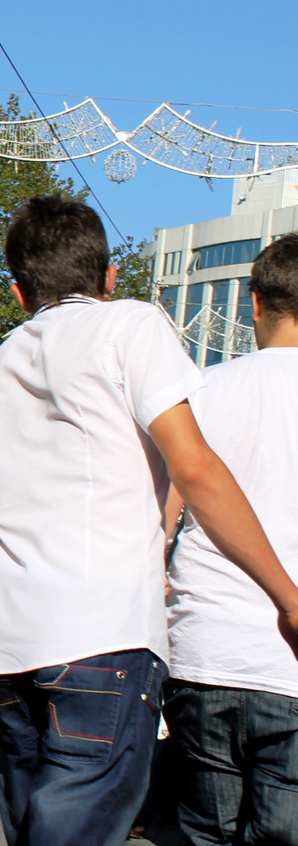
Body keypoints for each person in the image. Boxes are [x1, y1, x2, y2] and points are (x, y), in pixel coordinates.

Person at [0, 196, 298, 846]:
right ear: (110, 277)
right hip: (101, 636)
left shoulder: (1, 360)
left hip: (6, 645)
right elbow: (195, 469)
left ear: (16, 290)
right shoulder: (130, 325)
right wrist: (286, 595)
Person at [165, 233, 298, 846]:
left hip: (205, 649)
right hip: (289, 663)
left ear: (253, 303)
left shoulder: (197, 392)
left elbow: (162, 517)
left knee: (201, 831)